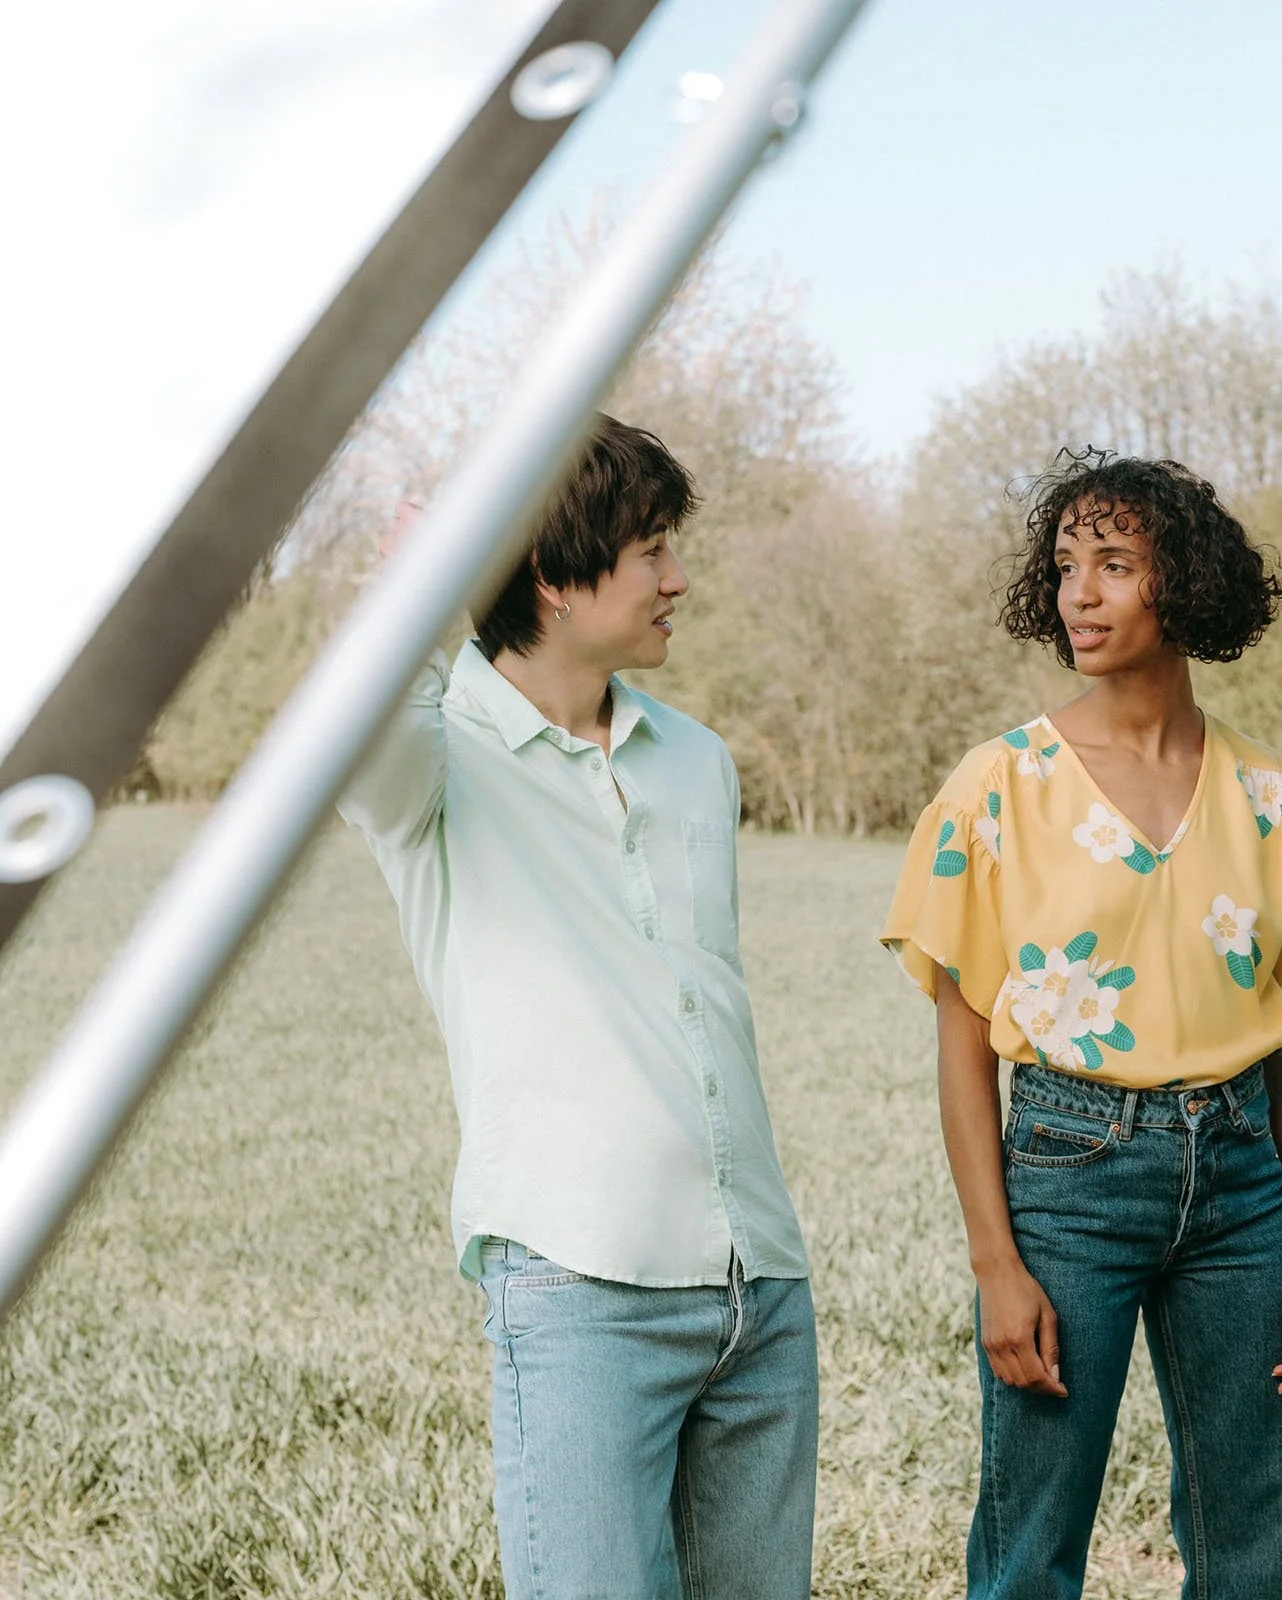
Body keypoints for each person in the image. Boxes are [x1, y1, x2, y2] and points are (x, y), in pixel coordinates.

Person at [339, 417, 814, 1600]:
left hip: (758, 1287)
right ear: (550, 573)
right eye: (650, 547)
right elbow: (358, 699)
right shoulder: (431, 762)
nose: (678, 577)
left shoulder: (697, 758)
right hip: (580, 1292)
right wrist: (428, 551)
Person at [880, 449, 1282, 1599]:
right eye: (1064, 567)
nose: (1080, 595)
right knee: (1029, 1546)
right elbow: (961, 1047)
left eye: (1114, 564)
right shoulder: (998, 786)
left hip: (1245, 1185)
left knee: (1250, 1545)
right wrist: (996, 1262)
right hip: (1066, 1172)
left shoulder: (1277, 802)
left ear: (1180, 585)